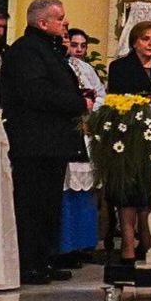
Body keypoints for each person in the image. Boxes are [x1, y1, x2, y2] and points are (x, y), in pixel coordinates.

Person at [0, 0, 91, 284]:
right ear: (42, 23)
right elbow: (37, 93)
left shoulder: (48, 51)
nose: (65, 23)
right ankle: (28, 264)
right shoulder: (26, 52)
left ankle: (43, 260)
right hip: (34, 142)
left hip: (51, 142)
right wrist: (78, 103)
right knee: (31, 205)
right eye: (60, 18)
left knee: (49, 205)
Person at [105, 21, 151, 262]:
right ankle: (127, 243)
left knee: (149, 190)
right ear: (135, 41)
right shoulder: (120, 67)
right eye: (146, 39)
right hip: (130, 135)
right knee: (129, 191)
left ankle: (148, 239)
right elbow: (117, 99)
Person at [57, 28, 105, 265]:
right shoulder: (59, 66)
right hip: (66, 133)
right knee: (67, 190)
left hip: (87, 134)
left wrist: (92, 114)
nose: (77, 49)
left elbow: (101, 96)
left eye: (82, 45)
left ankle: (83, 244)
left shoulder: (88, 70)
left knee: (86, 191)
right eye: (73, 44)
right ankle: (65, 246)